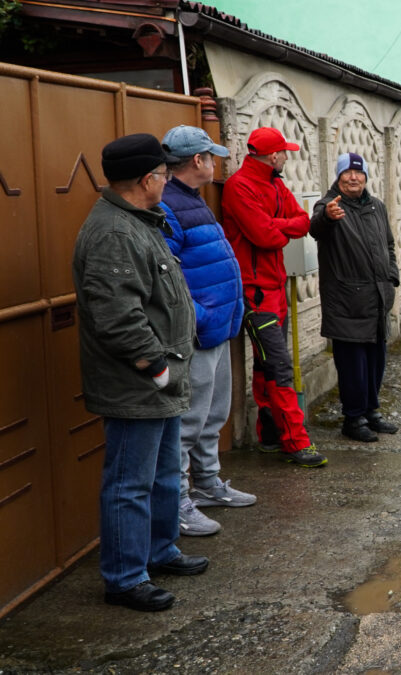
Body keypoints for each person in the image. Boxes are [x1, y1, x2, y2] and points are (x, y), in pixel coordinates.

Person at [73, 133, 208, 612]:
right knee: (130, 482)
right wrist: (156, 370)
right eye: (164, 174)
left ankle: (159, 549)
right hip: (137, 385)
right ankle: (125, 577)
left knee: (163, 474)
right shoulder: (115, 231)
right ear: (148, 179)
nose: (167, 180)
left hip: (158, 383)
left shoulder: (136, 221)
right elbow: (118, 316)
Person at [159, 125, 257, 537]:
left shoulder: (193, 200)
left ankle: (209, 484)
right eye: (211, 157)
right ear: (197, 160)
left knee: (213, 414)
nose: (216, 163)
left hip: (217, 328)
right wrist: (198, 317)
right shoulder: (168, 205)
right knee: (188, 422)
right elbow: (170, 275)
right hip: (198, 333)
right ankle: (178, 502)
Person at [221, 126, 326, 467]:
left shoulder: (276, 183)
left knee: (268, 365)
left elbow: (302, 222)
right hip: (255, 292)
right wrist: (281, 227)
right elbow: (266, 236)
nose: (286, 156)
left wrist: (276, 225)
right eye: (283, 152)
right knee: (279, 366)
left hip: (275, 286)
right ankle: (296, 442)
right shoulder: (239, 187)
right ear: (272, 155)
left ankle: (268, 434)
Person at [309, 152, 400, 442]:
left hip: (377, 298)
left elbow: (389, 244)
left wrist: (392, 276)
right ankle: (353, 418)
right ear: (338, 176)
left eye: (358, 173)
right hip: (347, 301)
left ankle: (371, 412)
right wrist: (327, 217)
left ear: (366, 177)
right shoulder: (330, 205)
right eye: (347, 172)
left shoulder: (377, 207)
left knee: (376, 361)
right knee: (352, 365)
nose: (353, 177)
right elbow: (316, 227)